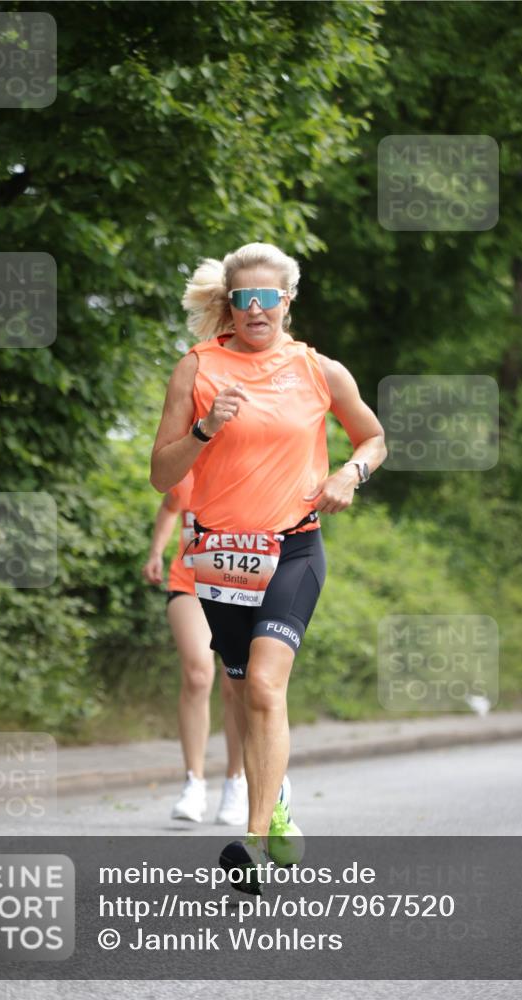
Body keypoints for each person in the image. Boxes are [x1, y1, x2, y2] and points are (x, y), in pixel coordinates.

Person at [150, 242, 387, 890]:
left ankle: (253, 845)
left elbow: (372, 435)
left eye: (267, 297)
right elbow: (158, 474)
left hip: (292, 547)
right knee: (236, 689)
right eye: (243, 299)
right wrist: (203, 429)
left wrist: (349, 471)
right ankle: (274, 799)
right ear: (229, 304)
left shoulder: (318, 370)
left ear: (287, 300)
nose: (255, 309)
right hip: (219, 556)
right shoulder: (195, 369)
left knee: (262, 684)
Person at [142, 469, 248, 825]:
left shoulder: (251, 470)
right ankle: (194, 783)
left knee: (236, 683)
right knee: (199, 674)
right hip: (189, 581)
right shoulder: (188, 470)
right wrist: (156, 551)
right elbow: (171, 506)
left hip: (241, 583)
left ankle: (236, 782)